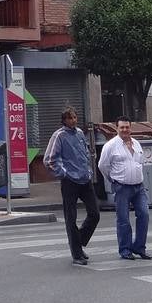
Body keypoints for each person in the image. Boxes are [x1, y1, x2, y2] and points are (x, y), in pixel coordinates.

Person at [43, 106, 98, 266]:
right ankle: (76, 254)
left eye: (75, 117)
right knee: (71, 218)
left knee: (94, 214)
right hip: (70, 182)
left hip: (85, 179)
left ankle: (78, 241)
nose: (73, 120)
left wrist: (88, 170)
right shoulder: (59, 136)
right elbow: (49, 159)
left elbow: (85, 153)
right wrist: (64, 173)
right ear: (64, 120)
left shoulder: (80, 133)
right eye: (70, 118)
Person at [97, 117, 152, 261]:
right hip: (121, 187)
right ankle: (125, 249)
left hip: (139, 186)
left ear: (130, 128)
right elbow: (102, 166)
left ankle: (139, 247)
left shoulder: (137, 144)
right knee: (123, 220)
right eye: (122, 127)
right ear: (117, 129)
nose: (125, 130)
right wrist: (113, 179)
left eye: (127, 127)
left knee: (144, 215)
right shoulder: (110, 146)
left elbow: (140, 163)